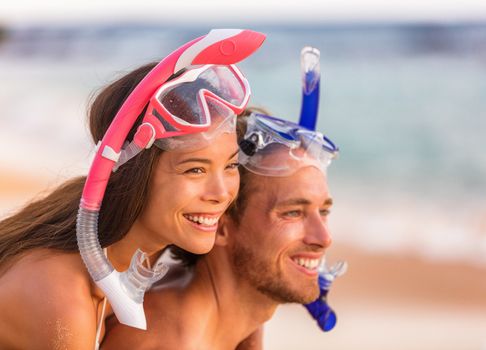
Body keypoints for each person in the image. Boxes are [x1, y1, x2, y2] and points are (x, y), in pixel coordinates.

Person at [0, 29, 265, 349]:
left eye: (231, 166)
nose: (221, 193)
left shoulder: (145, 252)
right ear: (133, 174)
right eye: (195, 169)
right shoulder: (62, 297)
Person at [101, 108, 339, 349]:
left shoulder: (223, 317)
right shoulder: (170, 339)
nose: (324, 238)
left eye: (324, 211)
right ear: (219, 225)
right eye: (293, 213)